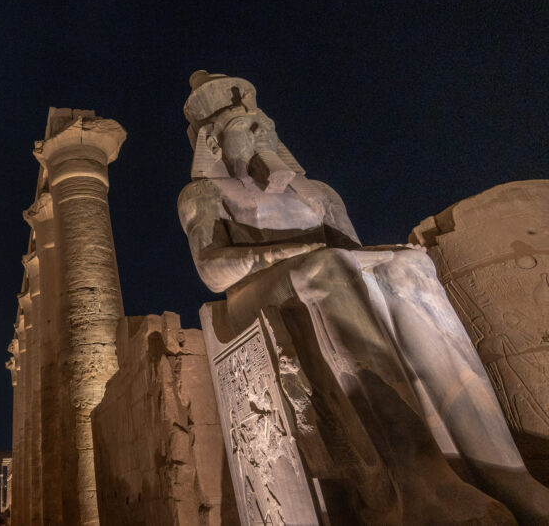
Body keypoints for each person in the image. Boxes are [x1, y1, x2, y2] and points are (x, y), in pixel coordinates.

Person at [178, 71, 549, 524]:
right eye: (248, 129)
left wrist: (383, 256)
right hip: (253, 295)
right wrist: (295, 250)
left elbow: (353, 254)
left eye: (266, 125)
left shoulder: (319, 193)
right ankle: (419, 481)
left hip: (319, 273)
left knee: (411, 267)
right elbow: (213, 271)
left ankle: (504, 472)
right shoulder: (204, 192)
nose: (263, 135)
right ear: (214, 145)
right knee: (326, 268)